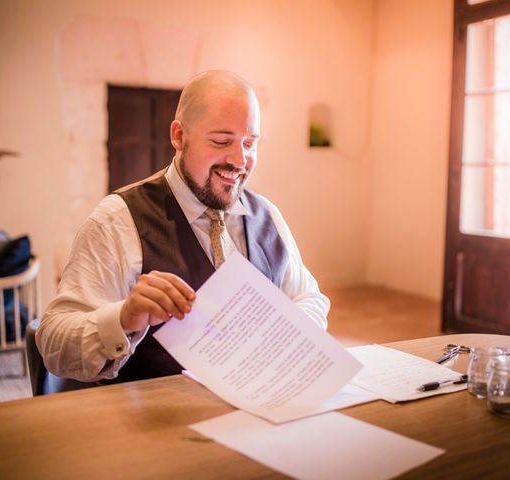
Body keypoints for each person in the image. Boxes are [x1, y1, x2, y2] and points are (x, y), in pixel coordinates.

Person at [36, 70, 330, 383]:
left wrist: (282, 340)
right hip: (157, 419)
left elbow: (310, 298)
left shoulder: (268, 215)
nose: (239, 160)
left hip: (259, 412)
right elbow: (54, 344)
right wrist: (123, 318)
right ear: (178, 136)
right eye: (221, 141)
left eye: (250, 143)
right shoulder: (116, 221)